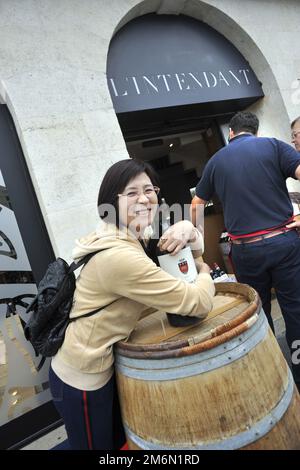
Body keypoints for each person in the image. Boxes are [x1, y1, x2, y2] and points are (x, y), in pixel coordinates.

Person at [49, 159, 215, 450]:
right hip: (82, 378)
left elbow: (184, 246)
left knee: (113, 440)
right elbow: (197, 302)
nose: (143, 198)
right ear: (111, 201)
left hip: (101, 365)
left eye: (149, 190)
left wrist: (188, 228)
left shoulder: (129, 236)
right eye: (131, 193)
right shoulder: (121, 256)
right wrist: (205, 274)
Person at [191, 111, 300, 391]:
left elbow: (196, 204)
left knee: (258, 311)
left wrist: (198, 247)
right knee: (295, 307)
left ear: (230, 133)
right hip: (284, 242)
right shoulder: (273, 146)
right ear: (255, 131)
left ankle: (272, 371)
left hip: (245, 250)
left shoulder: (216, 160)